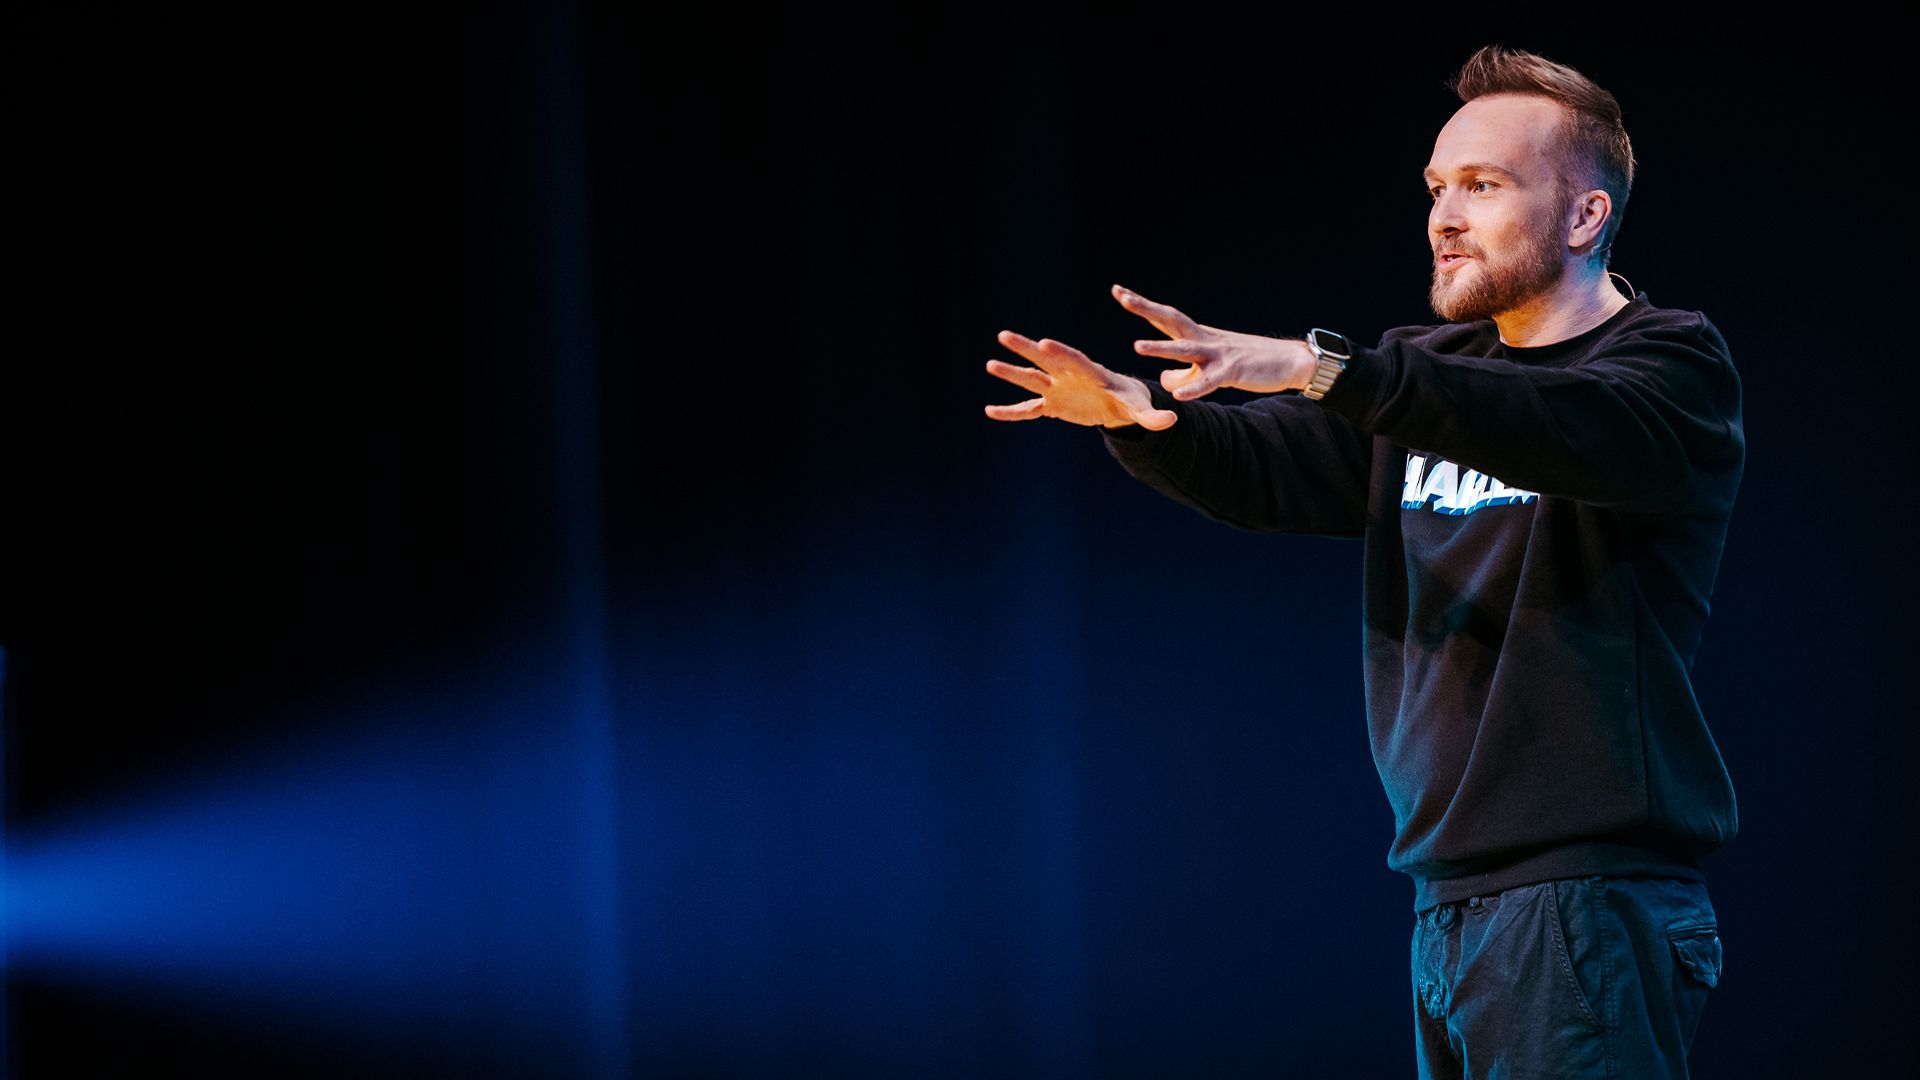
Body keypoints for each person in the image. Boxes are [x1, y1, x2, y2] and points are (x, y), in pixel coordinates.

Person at [983, 45, 1741, 1079]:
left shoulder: (1669, 368)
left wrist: (1319, 367)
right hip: (1449, 903)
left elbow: (1551, 423)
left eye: (1483, 186)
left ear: (1584, 217)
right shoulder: (1428, 373)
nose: (1445, 218)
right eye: (1437, 188)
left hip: (1586, 896)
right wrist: (1142, 419)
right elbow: (1268, 466)